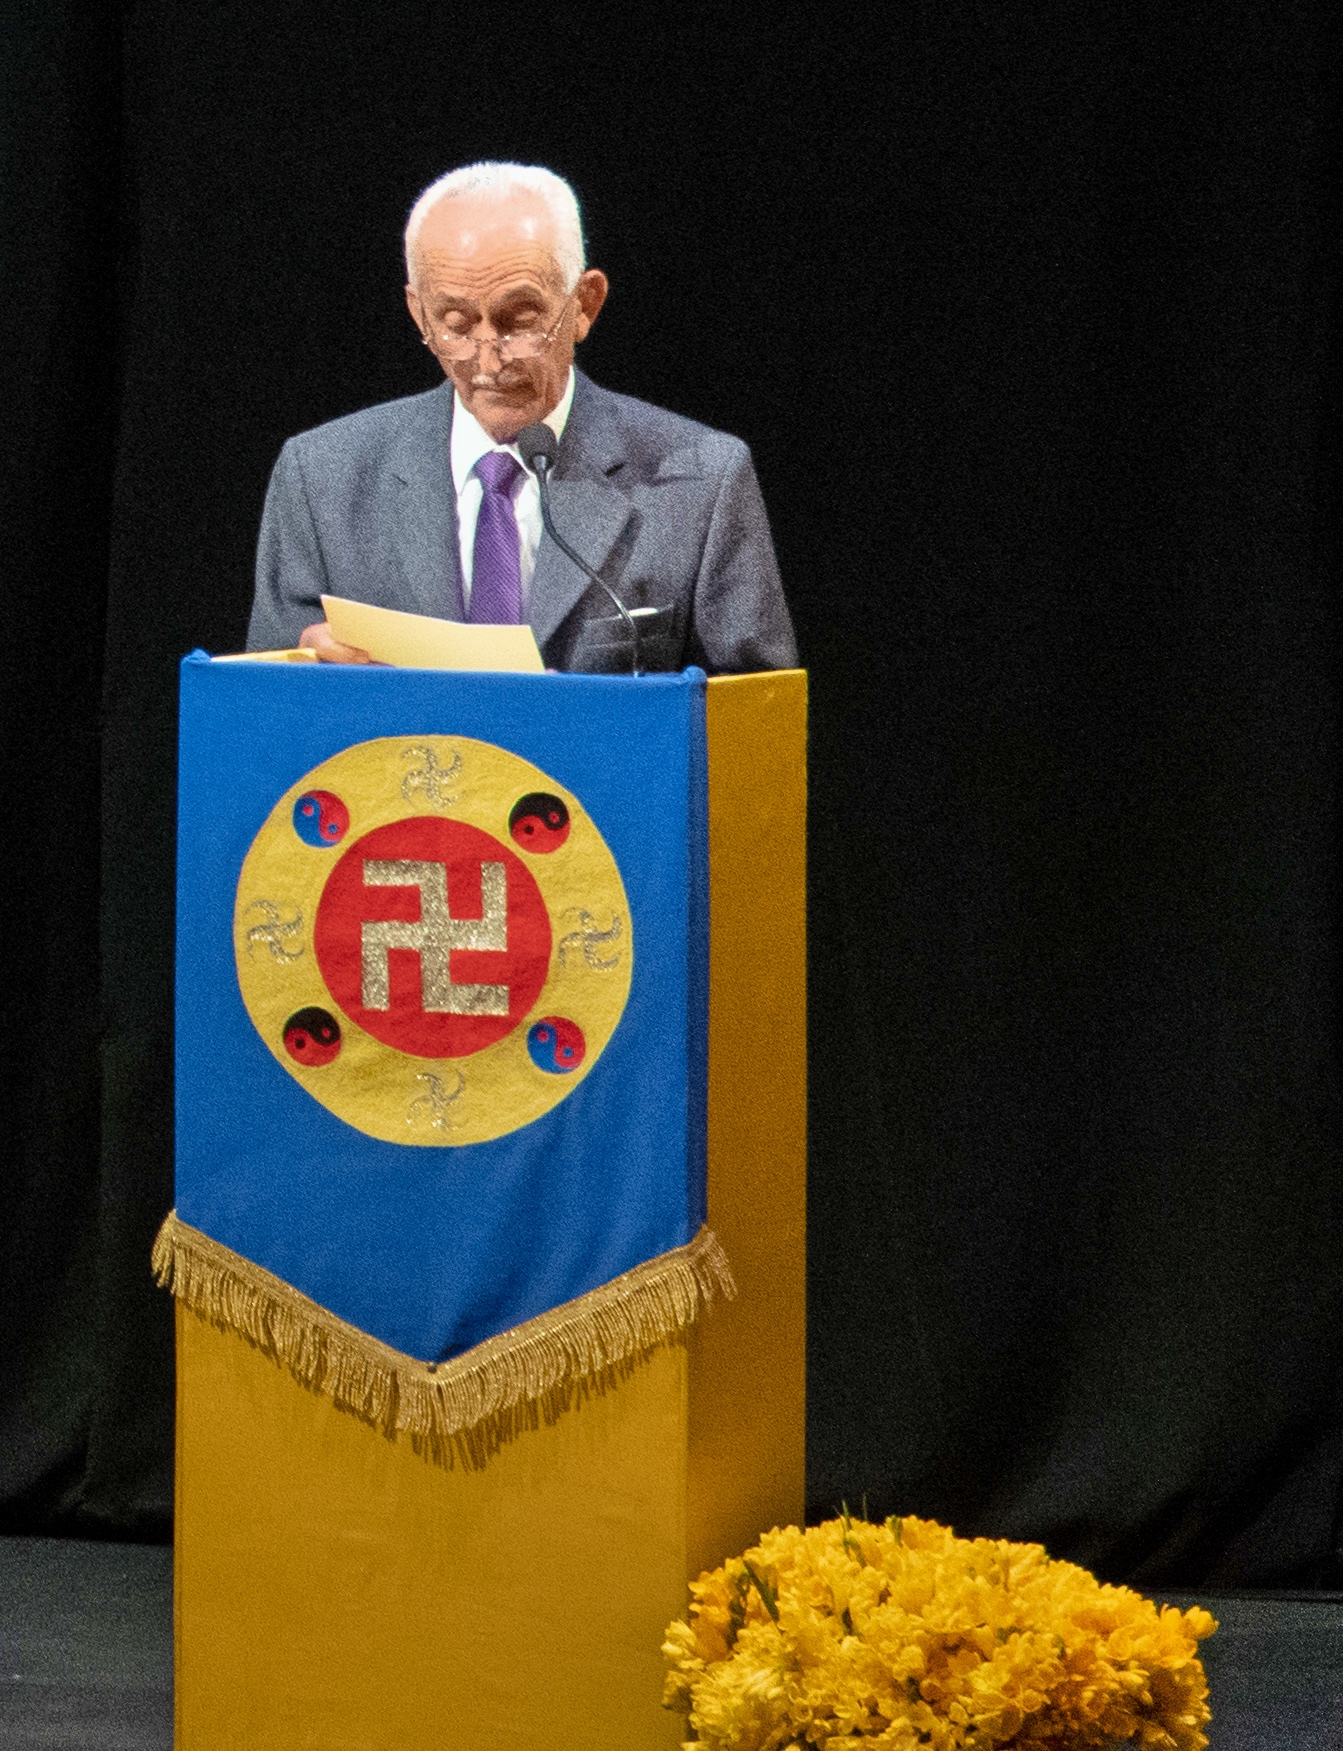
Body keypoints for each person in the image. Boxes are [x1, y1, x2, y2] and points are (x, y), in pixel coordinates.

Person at [246, 162, 797, 674]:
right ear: (419, 313)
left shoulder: (702, 482)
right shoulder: (321, 478)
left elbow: (756, 719)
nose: (488, 361)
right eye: (456, 325)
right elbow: (263, 710)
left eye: (520, 321)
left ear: (585, 304)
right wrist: (305, 671)